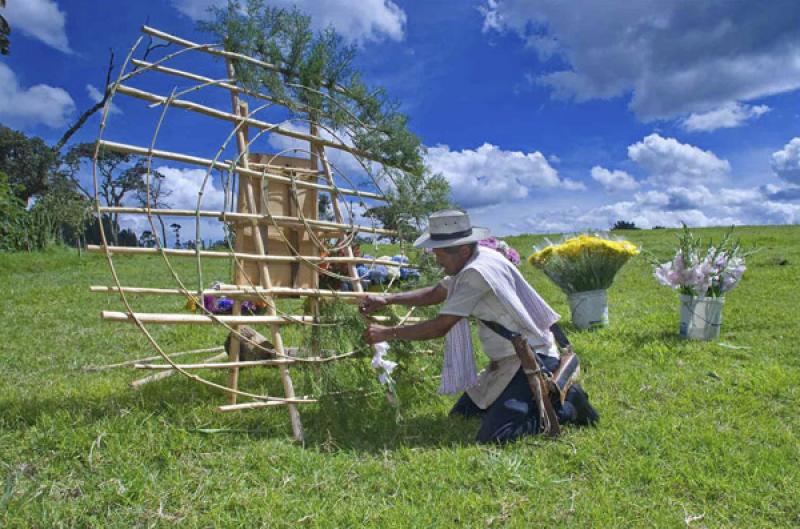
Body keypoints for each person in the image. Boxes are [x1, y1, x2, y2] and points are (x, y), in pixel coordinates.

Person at [361, 209, 598, 444]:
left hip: (530, 358)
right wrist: (388, 299)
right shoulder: (476, 257)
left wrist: (387, 333)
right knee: (463, 415)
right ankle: (527, 400)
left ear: (462, 249)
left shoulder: (476, 273)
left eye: (440, 255)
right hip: (508, 359)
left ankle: (567, 405)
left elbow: (440, 326)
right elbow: (437, 292)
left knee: (497, 436)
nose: (437, 260)